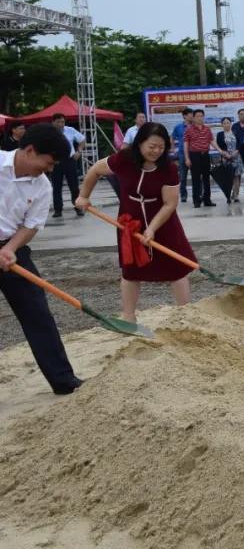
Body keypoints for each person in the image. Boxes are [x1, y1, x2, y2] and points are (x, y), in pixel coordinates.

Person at [76, 122, 195, 322]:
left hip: (162, 221)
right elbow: (96, 170)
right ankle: (128, 315)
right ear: (139, 143)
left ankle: (186, 314)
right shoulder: (124, 158)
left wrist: (152, 229)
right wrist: (83, 196)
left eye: (161, 147)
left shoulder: (169, 169)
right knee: (131, 270)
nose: (156, 151)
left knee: (176, 266)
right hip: (130, 220)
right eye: (152, 146)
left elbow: (169, 204)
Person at [0, 124, 84, 395]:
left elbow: (32, 224)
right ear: (30, 150)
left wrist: (11, 248)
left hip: (12, 249)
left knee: (37, 312)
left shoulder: (43, 186)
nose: (49, 169)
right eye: (48, 163)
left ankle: (63, 380)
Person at [50, 113, 85, 218]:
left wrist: (79, 151)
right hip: (55, 162)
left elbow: (82, 139)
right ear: (53, 122)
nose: (61, 124)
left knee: (74, 186)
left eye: (63, 122)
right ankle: (58, 210)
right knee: (56, 186)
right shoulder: (48, 132)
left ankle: (78, 207)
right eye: (58, 122)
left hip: (70, 160)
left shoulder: (70, 130)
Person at [183, 109, 215, 208]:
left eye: (202, 116)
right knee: (196, 179)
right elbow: (186, 144)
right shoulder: (189, 129)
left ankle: (207, 200)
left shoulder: (207, 129)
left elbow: (212, 141)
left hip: (205, 155)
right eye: (198, 116)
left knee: (206, 178)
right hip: (194, 155)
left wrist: (221, 150)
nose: (200, 118)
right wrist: (187, 158)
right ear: (193, 117)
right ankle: (196, 201)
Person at [215, 117, 242, 203]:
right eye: (224, 123)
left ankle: (236, 195)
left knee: (236, 177)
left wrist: (236, 152)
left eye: (228, 123)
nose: (226, 124)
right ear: (222, 125)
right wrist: (224, 154)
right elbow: (218, 146)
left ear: (231, 124)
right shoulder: (220, 134)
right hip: (225, 157)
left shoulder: (236, 132)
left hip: (236, 156)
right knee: (228, 178)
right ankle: (228, 195)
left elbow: (240, 144)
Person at [171, 108, 193, 202]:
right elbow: (172, 137)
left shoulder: (195, 126)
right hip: (182, 154)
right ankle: (183, 196)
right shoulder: (178, 127)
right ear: (184, 116)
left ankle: (199, 193)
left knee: (196, 175)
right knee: (183, 176)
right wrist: (173, 149)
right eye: (190, 114)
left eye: (192, 114)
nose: (191, 116)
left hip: (193, 153)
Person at [232, 108, 244, 199]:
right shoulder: (234, 126)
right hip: (237, 153)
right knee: (237, 174)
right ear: (238, 115)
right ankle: (235, 192)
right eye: (241, 114)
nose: (242, 115)